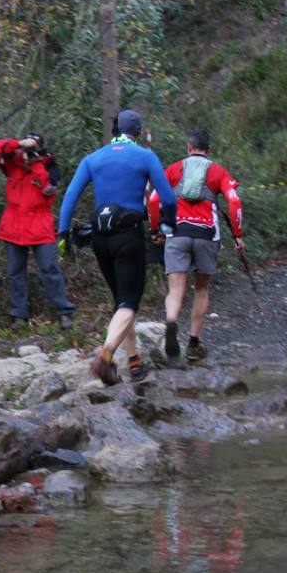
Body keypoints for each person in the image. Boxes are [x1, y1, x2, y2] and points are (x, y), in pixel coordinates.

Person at [57, 109, 177, 385]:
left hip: (100, 238)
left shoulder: (93, 158)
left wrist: (63, 233)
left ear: (115, 130)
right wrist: (167, 226)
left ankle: (134, 364)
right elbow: (168, 199)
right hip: (128, 236)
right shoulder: (145, 156)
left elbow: (70, 196)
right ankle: (105, 355)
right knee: (129, 303)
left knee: (121, 302)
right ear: (138, 132)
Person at [147, 129, 244, 363]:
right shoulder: (218, 171)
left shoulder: (173, 169)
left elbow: (153, 200)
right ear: (208, 150)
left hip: (177, 233)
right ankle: (193, 343)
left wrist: (155, 230)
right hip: (206, 235)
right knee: (201, 289)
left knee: (175, 289)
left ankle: (171, 322)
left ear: (189, 147)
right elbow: (234, 201)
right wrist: (238, 235)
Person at [0, 133, 75, 330]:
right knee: (15, 273)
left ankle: (63, 312)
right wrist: (17, 144)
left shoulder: (50, 166)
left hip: (39, 225)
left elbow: (48, 190)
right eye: (27, 147)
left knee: (50, 269)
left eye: (33, 148)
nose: (29, 151)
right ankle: (19, 315)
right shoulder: (11, 162)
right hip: (13, 226)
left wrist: (35, 164)